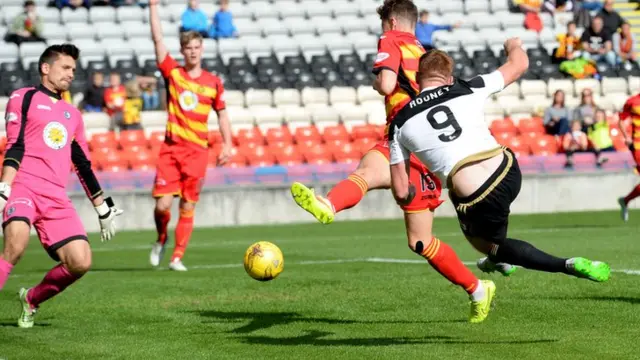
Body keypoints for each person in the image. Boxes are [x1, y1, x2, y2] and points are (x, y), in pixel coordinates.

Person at [291, 0, 497, 324]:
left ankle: (329, 205)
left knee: (367, 171)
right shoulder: (427, 55)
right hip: (428, 150)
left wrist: (378, 83)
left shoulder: (390, 40)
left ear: (390, 22)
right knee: (421, 241)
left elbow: (386, 84)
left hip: (403, 135)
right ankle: (478, 289)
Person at [388, 38, 610, 283]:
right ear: (448, 77)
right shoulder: (468, 86)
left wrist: (412, 193)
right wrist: (512, 45)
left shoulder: (399, 122)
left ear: (418, 77)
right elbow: (519, 64)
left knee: (487, 243)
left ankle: (564, 264)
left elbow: (400, 191)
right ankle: (497, 261)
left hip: (477, 196)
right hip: (508, 170)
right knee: (490, 230)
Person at [0, 44, 124, 328]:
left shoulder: (73, 114)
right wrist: (5, 186)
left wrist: (102, 207)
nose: (71, 74)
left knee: (80, 261)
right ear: (46, 68)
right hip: (23, 186)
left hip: (55, 196)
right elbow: (15, 143)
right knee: (15, 245)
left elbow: (82, 164)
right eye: (66, 68)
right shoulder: (23, 98)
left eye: (73, 70)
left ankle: (31, 299)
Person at [148, 0, 233, 271]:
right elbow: (158, 39)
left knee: (188, 205)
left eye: (197, 47)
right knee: (162, 206)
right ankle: (161, 237)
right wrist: (153, 6)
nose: (193, 51)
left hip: (197, 152)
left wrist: (228, 145)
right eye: (188, 48)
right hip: (171, 150)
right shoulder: (174, 73)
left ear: (202, 49)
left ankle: (177, 256)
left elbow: (222, 115)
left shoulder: (213, 82)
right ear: (183, 51)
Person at [617, 92, 640, 222]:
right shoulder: (632, 101)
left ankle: (625, 201)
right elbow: (621, 120)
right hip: (638, 145)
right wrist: (627, 137)